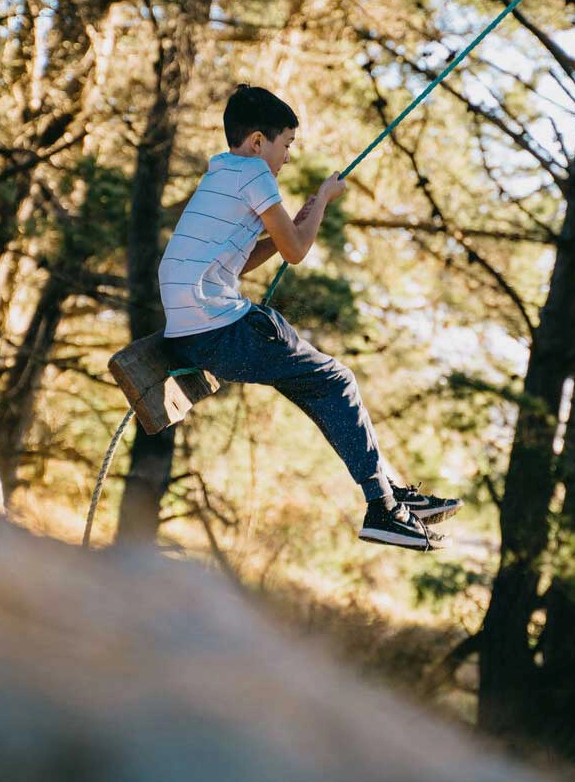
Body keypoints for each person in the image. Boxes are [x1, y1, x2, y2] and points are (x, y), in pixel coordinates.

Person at [159, 84, 462, 551]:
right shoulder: (256, 176)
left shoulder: (219, 174)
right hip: (218, 333)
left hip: (196, 332)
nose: (286, 157)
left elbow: (240, 262)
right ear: (259, 142)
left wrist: (293, 224)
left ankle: (387, 491)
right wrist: (322, 201)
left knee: (320, 385)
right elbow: (297, 252)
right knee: (336, 380)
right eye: (286, 145)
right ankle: (383, 507)